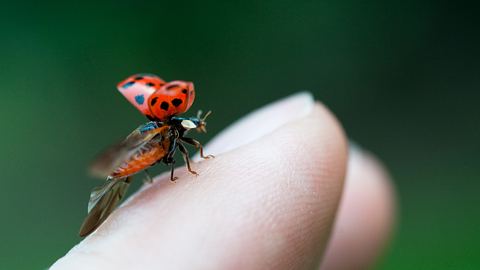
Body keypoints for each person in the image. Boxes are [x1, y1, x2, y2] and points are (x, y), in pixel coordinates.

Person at [51, 92, 395, 270]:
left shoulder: (173, 132)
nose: (196, 129)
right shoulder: (164, 131)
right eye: (194, 126)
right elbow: (168, 152)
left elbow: (177, 149)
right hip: (132, 164)